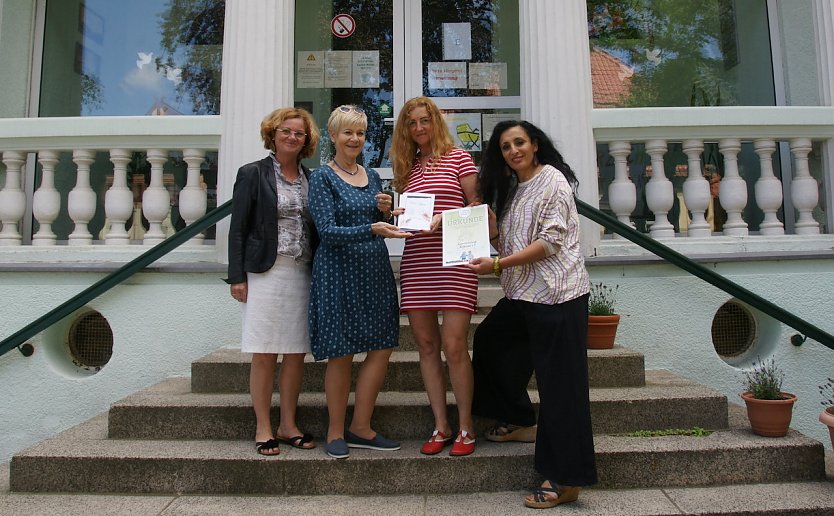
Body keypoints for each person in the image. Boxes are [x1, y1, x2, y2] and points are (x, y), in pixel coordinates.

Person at [467, 120, 598, 508]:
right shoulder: (514, 189)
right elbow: (511, 239)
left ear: (535, 145)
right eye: (506, 147)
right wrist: (491, 233)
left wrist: (496, 265)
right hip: (524, 295)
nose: (513, 151)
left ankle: (566, 478)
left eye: (519, 143)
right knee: (490, 341)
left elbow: (550, 242)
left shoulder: (553, 180)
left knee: (561, 389)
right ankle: (522, 419)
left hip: (558, 297)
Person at [308, 105, 412, 459]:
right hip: (337, 272)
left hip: (374, 271)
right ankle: (336, 431)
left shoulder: (373, 176)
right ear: (333, 136)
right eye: (348, 132)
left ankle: (361, 427)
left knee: (381, 346)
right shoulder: (322, 177)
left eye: (361, 133)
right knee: (342, 353)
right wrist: (373, 226)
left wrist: (385, 210)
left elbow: (380, 221)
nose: (355, 139)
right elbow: (327, 232)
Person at [226, 107, 321, 456]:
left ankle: (288, 424)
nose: (293, 137)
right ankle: (263, 426)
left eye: (299, 133)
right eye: (286, 131)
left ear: (306, 140)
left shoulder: (312, 178)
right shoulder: (253, 173)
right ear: (273, 133)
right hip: (265, 272)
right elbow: (238, 229)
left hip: (302, 272)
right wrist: (237, 277)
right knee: (265, 353)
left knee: (296, 353)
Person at [390, 96, 480, 456]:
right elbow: (409, 217)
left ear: (436, 122)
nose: (419, 128)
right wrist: (394, 214)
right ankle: (441, 425)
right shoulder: (406, 166)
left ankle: (466, 427)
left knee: (455, 345)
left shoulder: (459, 157)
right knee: (426, 347)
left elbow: (477, 205)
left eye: (424, 121)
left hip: (456, 258)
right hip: (418, 260)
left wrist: (445, 218)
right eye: (411, 123)